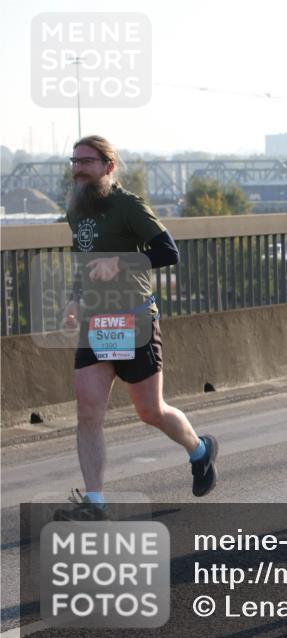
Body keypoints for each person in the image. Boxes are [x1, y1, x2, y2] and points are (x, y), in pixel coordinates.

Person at [56, 135, 218, 521]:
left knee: (150, 411)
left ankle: (199, 449)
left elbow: (168, 251)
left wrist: (121, 264)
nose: (78, 168)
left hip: (134, 320)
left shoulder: (128, 205)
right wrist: (77, 297)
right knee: (89, 411)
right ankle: (95, 503)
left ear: (108, 166)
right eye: (74, 161)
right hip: (96, 322)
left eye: (87, 161)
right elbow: (85, 263)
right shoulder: (76, 208)